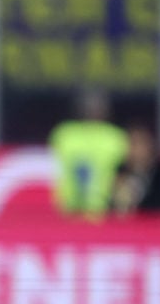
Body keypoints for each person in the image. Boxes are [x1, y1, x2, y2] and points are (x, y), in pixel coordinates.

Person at [48, 89, 128, 217]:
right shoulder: (65, 134)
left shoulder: (115, 137)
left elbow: (123, 174)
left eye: (97, 107)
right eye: (89, 106)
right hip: (67, 208)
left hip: (102, 210)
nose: (93, 111)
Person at [110, 122, 160, 214]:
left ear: (150, 146)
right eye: (132, 144)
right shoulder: (120, 171)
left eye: (140, 143)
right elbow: (112, 209)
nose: (136, 150)